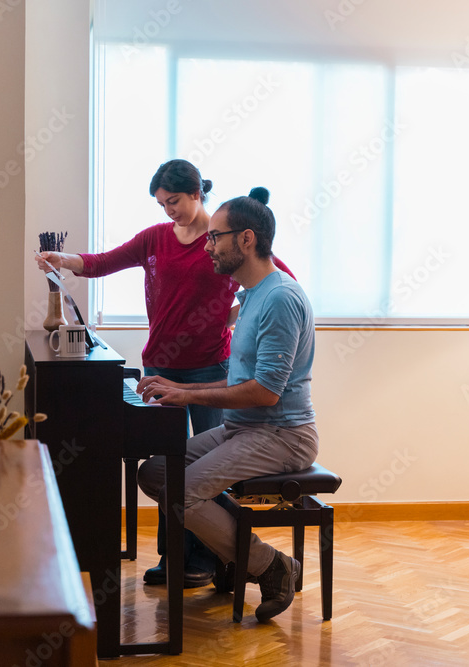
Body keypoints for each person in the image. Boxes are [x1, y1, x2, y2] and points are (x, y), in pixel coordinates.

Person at [34, 160, 293, 588]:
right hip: (160, 365)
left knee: (211, 472)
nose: (167, 210)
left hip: (212, 369)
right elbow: (103, 262)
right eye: (161, 203)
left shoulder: (224, 243)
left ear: (196, 193)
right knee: (168, 467)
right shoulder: (156, 239)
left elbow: (274, 279)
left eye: (173, 201)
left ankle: (215, 560)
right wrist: (64, 260)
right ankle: (173, 556)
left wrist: (232, 317)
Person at [136, 187, 318, 622]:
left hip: (283, 434)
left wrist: (185, 393)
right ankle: (235, 556)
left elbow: (265, 392)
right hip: (245, 429)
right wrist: (179, 388)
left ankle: (271, 567)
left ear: (246, 240)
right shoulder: (252, 295)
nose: (208, 245)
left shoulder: (280, 299)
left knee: (181, 494)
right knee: (155, 472)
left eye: (215, 237)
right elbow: (241, 381)